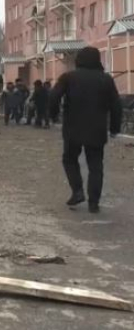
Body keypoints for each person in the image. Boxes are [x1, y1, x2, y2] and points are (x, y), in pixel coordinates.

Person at [49, 47, 123, 213]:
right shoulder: (106, 79)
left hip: (72, 129)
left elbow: (53, 97)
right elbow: (116, 106)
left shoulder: (68, 77)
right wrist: (114, 128)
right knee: (96, 166)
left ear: (79, 60)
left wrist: (53, 116)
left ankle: (77, 191)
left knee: (69, 159)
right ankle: (94, 203)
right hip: (97, 130)